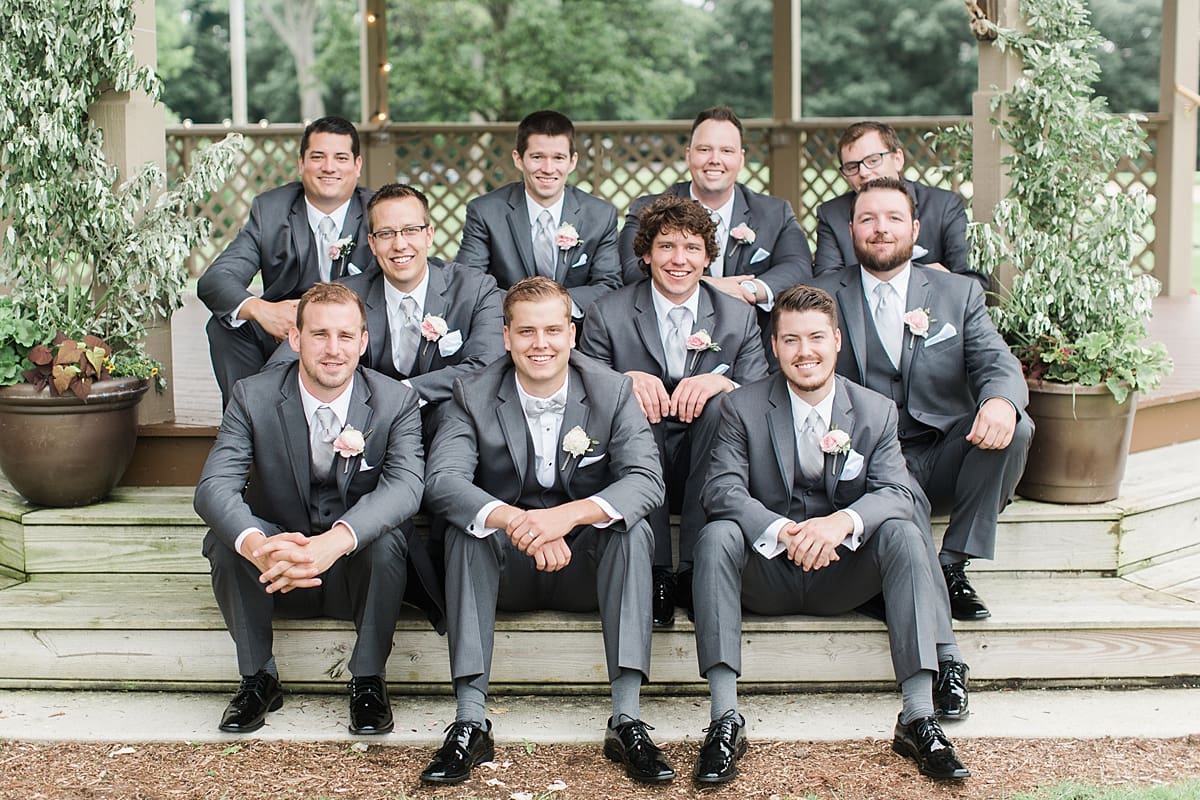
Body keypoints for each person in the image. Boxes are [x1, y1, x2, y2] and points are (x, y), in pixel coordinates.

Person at [691, 283, 971, 785]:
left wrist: (840, 523)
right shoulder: (742, 408)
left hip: (844, 573)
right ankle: (724, 718)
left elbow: (897, 491)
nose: (805, 352)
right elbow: (722, 489)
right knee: (716, 536)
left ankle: (917, 717)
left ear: (837, 341)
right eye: (791, 340)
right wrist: (781, 530)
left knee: (905, 533)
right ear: (774, 347)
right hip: (769, 572)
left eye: (816, 337)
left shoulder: (875, 410)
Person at [420, 277, 675, 786]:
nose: (541, 344)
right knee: (465, 532)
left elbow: (647, 481)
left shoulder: (612, 390)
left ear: (572, 334)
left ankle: (625, 719)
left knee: (632, 532)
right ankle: (470, 721)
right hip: (507, 563)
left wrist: (568, 516)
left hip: (583, 565)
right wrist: (517, 520)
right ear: (506, 336)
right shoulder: (470, 392)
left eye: (553, 330)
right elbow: (443, 481)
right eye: (528, 331)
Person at [194, 282, 441, 736]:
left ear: (363, 342)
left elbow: (406, 485)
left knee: (388, 538)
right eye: (319, 335)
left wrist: (336, 541)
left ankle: (368, 680)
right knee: (226, 540)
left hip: (354, 571)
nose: (333, 349)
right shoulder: (253, 396)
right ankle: (258, 678)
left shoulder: (394, 401)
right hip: (279, 571)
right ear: (295, 339)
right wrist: (259, 545)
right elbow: (213, 487)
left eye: (346, 336)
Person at [809, 177, 1033, 620]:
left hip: (942, 448)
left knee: (1018, 426)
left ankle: (952, 565)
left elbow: (997, 362)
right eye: (867, 219)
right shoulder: (822, 296)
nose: (881, 228)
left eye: (893, 218)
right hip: (867, 461)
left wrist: (1001, 402)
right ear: (852, 229)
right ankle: (898, 580)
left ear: (915, 229)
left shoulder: (957, 292)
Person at [579, 195, 768, 627]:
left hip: (711, 465)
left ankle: (698, 571)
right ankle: (658, 571)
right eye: (666, 246)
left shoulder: (737, 317)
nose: (678, 259)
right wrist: (622, 381)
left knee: (725, 404)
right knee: (634, 402)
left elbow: (761, 399)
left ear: (707, 258)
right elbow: (583, 395)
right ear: (646, 253)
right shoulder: (607, 313)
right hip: (636, 465)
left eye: (691, 248)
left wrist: (724, 383)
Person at [268, 183, 504, 409]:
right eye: (386, 234)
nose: (400, 244)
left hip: (448, 418)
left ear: (429, 235)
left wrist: (404, 391)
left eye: (411, 230)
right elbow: (281, 365)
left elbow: (487, 366)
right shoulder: (347, 297)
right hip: (370, 425)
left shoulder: (475, 289)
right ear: (372, 243)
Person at [198, 116, 376, 406]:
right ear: (301, 163)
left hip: (352, 335)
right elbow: (216, 279)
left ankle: (262, 413)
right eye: (317, 157)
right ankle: (241, 418)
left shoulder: (376, 210)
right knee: (225, 326)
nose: (329, 167)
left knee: (306, 340)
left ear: (357, 166)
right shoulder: (271, 210)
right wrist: (260, 310)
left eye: (340, 158)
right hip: (285, 326)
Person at [617, 106, 813, 344]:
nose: (714, 160)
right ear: (689, 155)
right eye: (704, 149)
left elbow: (799, 266)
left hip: (752, 346)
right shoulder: (647, 210)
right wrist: (711, 287)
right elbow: (630, 269)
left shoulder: (774, 212)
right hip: (665, 341)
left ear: (741, 159)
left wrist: (749, 289)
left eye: (726, 151)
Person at [454, 110, 622, 319]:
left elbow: (609, 285)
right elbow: (468, 282)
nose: (548, 168)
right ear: (518, 159)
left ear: (572, 161)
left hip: (577, 333)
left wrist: (555, 305)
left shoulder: (600, 215)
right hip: (506, 328)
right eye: (537, 157)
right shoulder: (485, 212)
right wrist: (526, 308)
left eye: (558, 157)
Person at [813, 121, 984, 289]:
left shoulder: (944, 206)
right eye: (852, 167)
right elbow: (824, 285)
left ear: (898, 159)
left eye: (873, 160)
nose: (864, 173)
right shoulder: (832, 214)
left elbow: (975, 283)